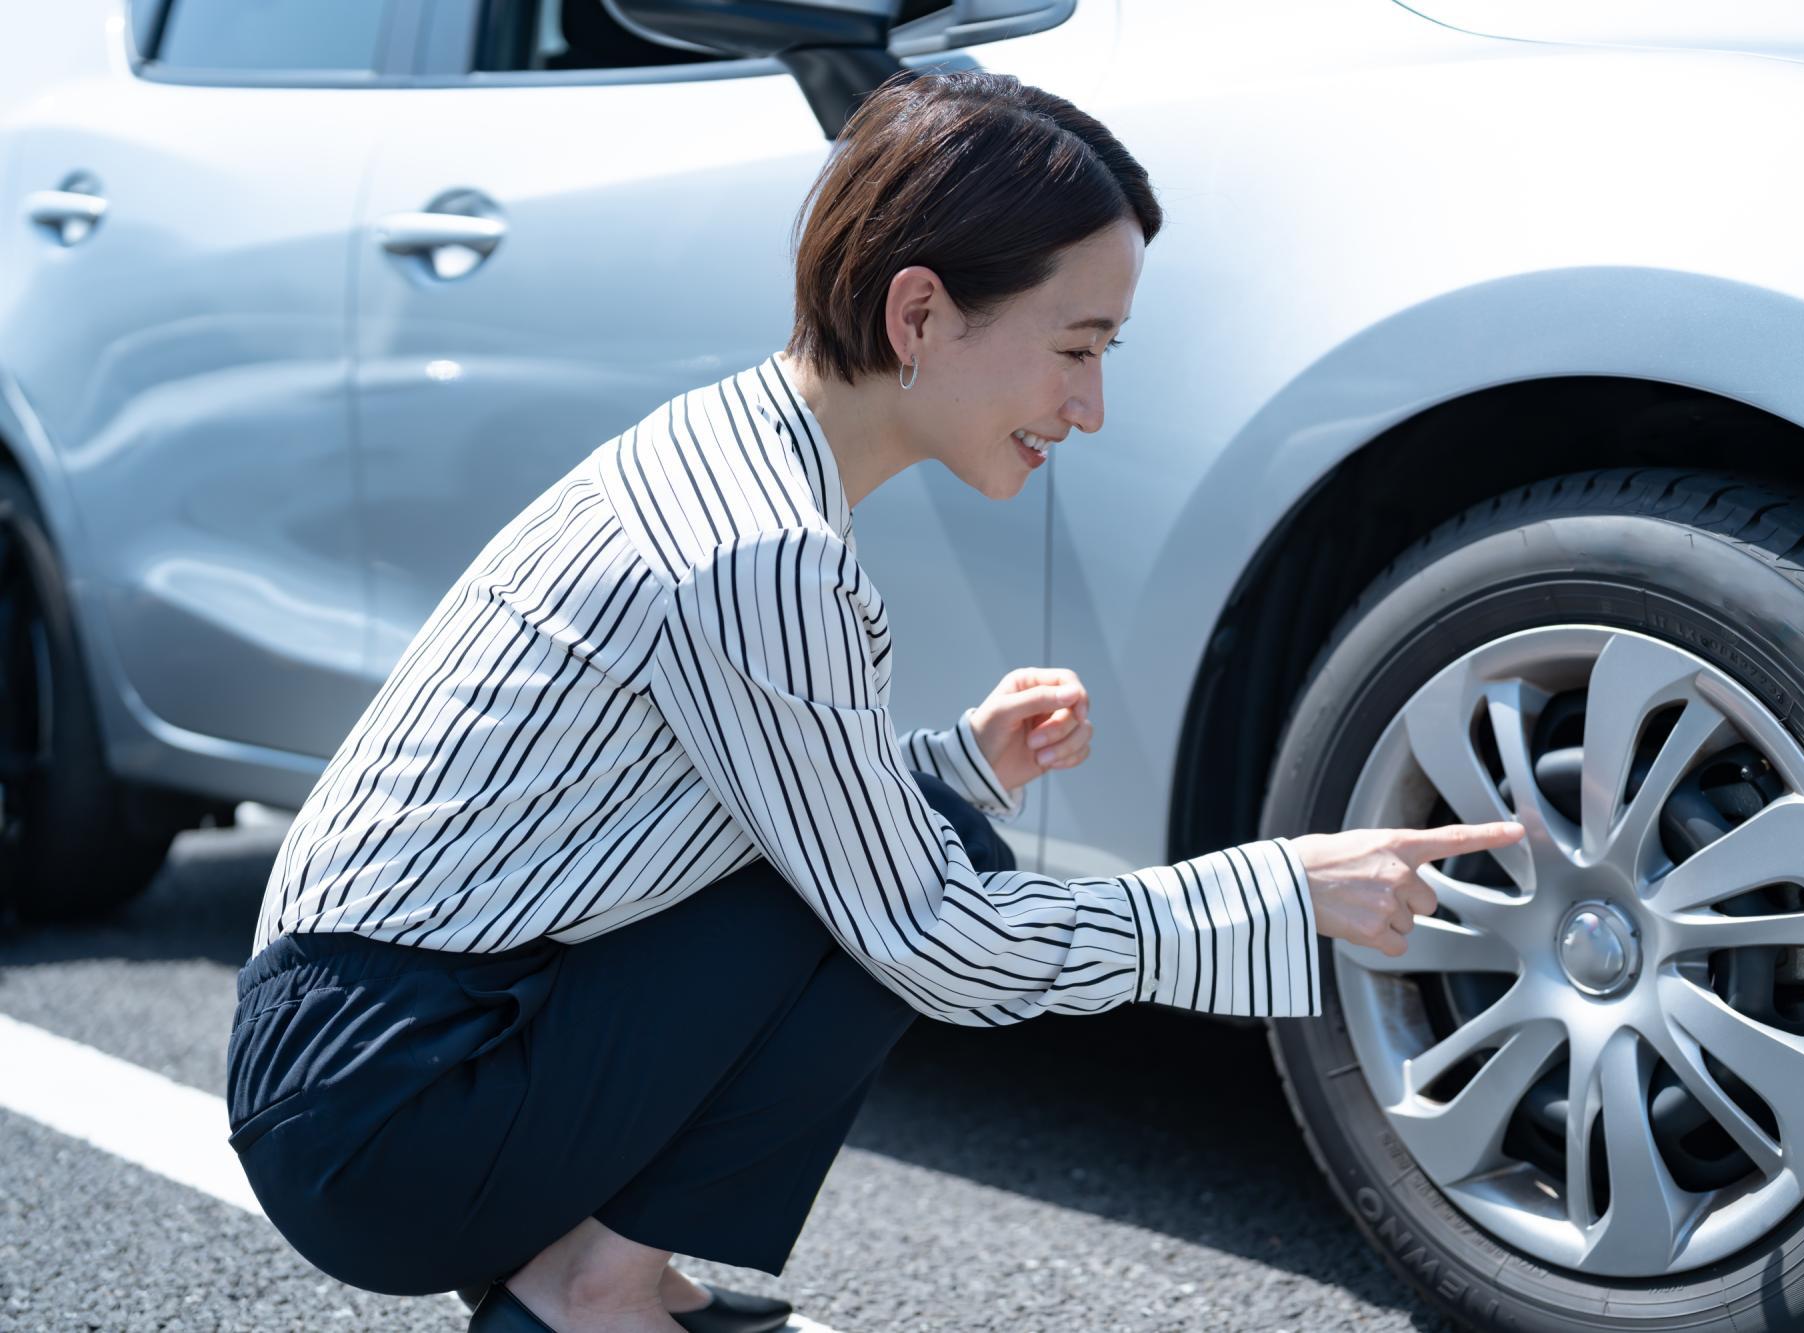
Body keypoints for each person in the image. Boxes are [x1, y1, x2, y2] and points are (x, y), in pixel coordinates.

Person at [224, 68, 1525, 1333]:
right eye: (1077, 347)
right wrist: (1279, 890)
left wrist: (958, 766)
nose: (1091, 403)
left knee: (928, 838)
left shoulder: (726, 452)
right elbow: (930, 935)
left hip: (370, 1047)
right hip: (379, 1105)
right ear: (919, 316)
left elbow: (725, 807)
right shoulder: (760, 548)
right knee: (922, 890)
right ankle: (584, 1291)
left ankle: (605, 1273)